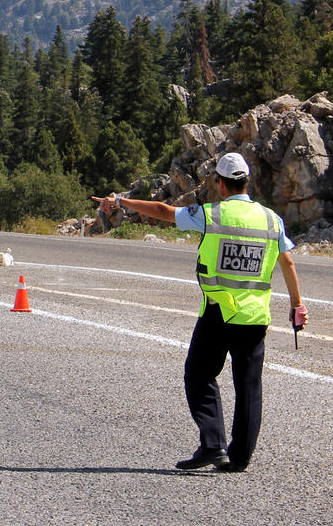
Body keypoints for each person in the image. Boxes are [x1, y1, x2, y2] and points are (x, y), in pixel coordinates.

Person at [93, 152, 307, 473]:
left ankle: (213, 443)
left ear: (220, 183)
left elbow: (164, 211)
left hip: (219, 312)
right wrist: (297, 304)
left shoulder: (210, 215)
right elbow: (287, 261)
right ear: (246, 182)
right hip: (254, 317)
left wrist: (122, 201)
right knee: (249, 387)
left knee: (199, 374)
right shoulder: (271, 219)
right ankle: (239, 458)